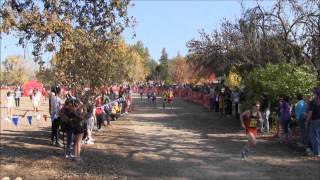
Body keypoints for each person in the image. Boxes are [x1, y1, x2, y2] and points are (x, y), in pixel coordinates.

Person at [306, 88, 320, 156]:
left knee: (314, 136)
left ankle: (316, 152)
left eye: (313, 93)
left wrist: (307, 120)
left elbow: (310, 113)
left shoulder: (313, 102)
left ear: (315, 94)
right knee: (318, 135)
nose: (313, 94)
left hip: (314, 120)